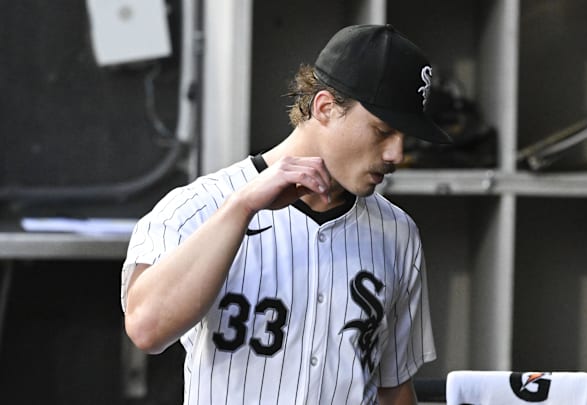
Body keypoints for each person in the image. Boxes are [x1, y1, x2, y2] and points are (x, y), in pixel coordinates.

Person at [121, 24, 452, 405]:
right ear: (325, 108)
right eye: (382, 131)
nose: (397, 154)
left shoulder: (398, 233)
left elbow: (393, 389)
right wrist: (241, 208)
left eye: (405, 137)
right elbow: (146, 329)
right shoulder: (200, 205)